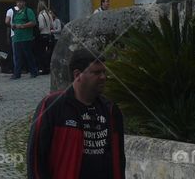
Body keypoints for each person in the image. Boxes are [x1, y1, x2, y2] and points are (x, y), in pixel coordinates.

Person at [27, 48, 125, 179]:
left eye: (104, 72)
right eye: (96, 72)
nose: (103, 77)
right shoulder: (52, 106)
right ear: (77, 74)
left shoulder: (111, 110)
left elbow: (118, 160)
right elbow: (35, 158)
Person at [9, 0, 38, 80]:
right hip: (17, 37)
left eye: (21, 2)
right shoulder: (16, 12)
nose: (19, 3)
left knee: (28, 55)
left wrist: (23, 26)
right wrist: (13, 25)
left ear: (24, 3)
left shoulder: (28, 11)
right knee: (17, 56)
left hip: (26, 37)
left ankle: (34, 71)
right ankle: (17, 73)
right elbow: (12, 23)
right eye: (17, 2)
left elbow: (33, 22)